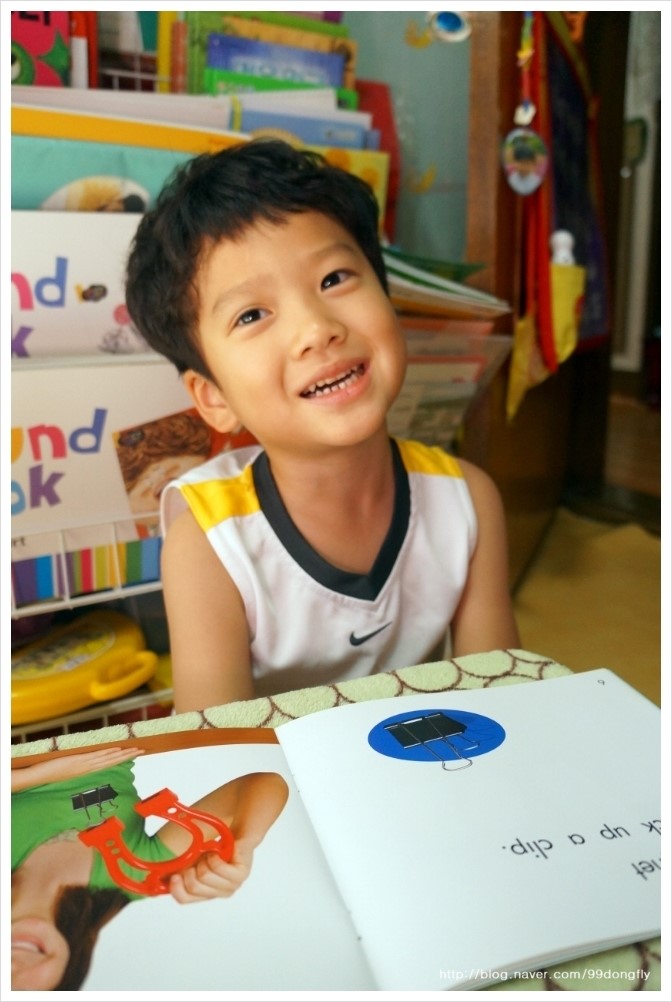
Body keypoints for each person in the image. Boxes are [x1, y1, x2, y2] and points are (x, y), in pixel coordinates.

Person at [125, 139, 520, 713]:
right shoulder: (210, 543)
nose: (316, 328)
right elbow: (218, 748)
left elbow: (505, 705)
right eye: (252, 314)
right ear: (213, 397)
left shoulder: (468, 502)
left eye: (334, 278)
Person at [11, 745, 289, 991]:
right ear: (69, 975)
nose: (11, 970)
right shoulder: (137, 874)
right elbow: (264, 783)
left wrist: (36, 776)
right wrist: (242, 844)